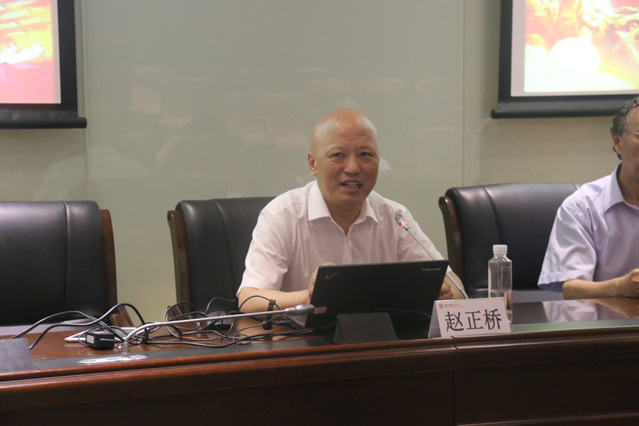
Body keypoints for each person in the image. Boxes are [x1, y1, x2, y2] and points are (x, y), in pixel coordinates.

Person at [237, 108, 465, 313]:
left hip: (381, 340)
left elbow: (456, 287)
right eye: (338, 155)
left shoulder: (395, 217)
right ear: (313, 164)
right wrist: (310, 297)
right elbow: (249, 299)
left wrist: (442, 293)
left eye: (365, 155)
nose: (353, 168)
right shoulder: (282, 215)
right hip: (302, 341)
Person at [538, 96, 639, 299]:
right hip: (608, 318)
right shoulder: (582, 207)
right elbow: (572, 288)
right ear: (617, 142)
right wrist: (620, 287)